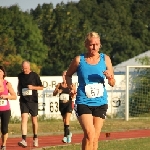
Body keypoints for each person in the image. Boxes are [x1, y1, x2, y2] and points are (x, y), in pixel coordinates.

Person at [65, 32, 115, 150]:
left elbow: (112, 83)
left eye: (97, 44)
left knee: (94, 137)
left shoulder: (105, 59)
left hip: (101, 102)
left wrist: (110, 77)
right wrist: (71, 86)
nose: (94, 47)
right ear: (86, 45)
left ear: (100, 45)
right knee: (90, 134)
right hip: (83, 101)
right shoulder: (79, 60)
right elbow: (68, 75)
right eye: (92, 44)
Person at [17, 61, 43, 148]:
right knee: (24, 118)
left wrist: (33, 87)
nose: (25, 70)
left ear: (29, 67)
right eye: (23, 68)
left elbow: (41, 87)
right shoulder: (20, 75)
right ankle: (24, 140)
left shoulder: (34, 75)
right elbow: (19, 85)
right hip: (24, 100)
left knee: (34, 120)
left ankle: (35, 137)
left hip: (33, 101)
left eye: (26, 68)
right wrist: (19, 91)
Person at [53, 70, 76, 143]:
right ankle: (69, 134)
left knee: (67, 120)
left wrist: (73, 93)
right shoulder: (59, 85)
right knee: (64, 122)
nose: (64, 77)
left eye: (66, 76)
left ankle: (65, 137)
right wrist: (57, 91)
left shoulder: (71, 85)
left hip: (69, 104)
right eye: (63, 76)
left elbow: (75, 94)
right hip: (62, 105)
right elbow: (54, 93)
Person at [0, 66, 17, 150]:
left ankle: (3, 145)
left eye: (0, 71)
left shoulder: (7, 84)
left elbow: (14, 96)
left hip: (5, 110)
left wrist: (6, 96)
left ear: (3, 73)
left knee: (4, 129)